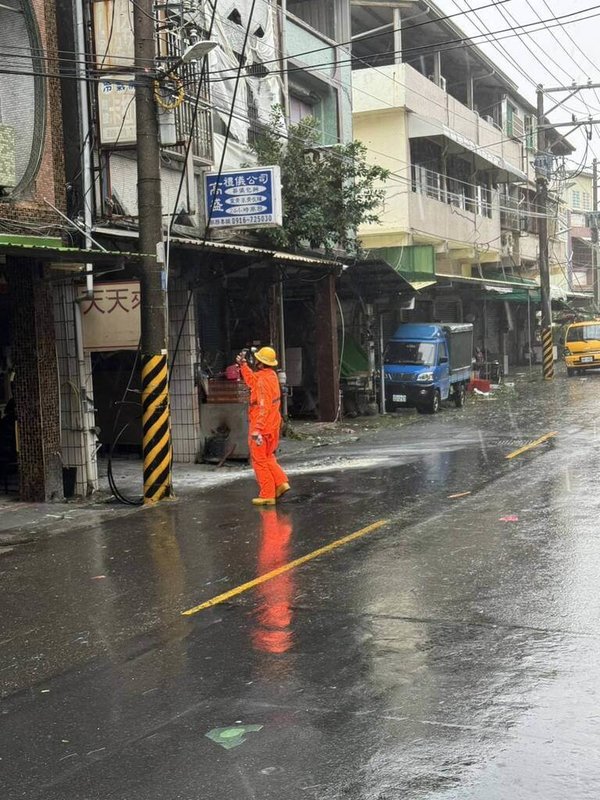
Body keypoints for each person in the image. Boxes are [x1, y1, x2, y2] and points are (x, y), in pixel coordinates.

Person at [236, 346, 290, 506]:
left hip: (262, 427)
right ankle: (281, 483)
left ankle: (267, 494)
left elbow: (262, 407)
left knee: (259, 460)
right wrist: (243, 366)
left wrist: (257, 430)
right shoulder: (270, 376)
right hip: (273, 425)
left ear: (260, 362)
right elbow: (253, 381)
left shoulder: (262, 382)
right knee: (268, 457)